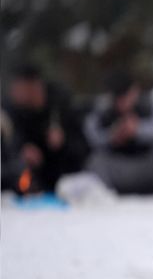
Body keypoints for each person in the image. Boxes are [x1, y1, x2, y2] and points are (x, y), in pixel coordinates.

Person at [2, 63, 89, 194]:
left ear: (33, 87)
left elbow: (83, 149)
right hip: (28, 179)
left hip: (64, 177)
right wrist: (22, 149)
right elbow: (10, 143)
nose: (14, 93)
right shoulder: (11, 110)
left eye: (19, 88)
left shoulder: (61, 106)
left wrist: (63, 142)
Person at [83, 71, 153, 194]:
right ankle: (104, 200)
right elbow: (90, 136)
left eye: (125, 95)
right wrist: (111, 137)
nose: (122, 101)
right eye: (118, 97)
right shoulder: (103, 111)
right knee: (96, 159)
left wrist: (139, 129)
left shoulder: (149, 105)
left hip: (147, 165)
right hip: (120, 168)